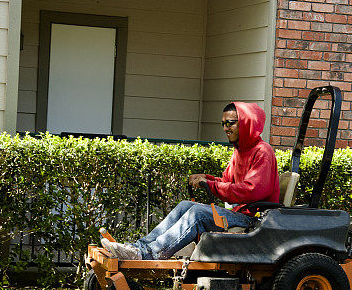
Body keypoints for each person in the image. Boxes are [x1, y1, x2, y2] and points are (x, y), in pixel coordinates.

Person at [101, 102, 280, 260]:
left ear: (246, 123)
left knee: (197, 214)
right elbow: (226, 181)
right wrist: (206, 178)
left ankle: (148, 254)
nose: (225, 128)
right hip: (239, 213)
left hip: (253, 219)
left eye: (230, 123)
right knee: (186, 205)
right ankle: (139, 247)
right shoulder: (240, 151)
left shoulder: (263, 151)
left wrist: (210, 184)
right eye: (223, 124)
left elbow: (251, 190)